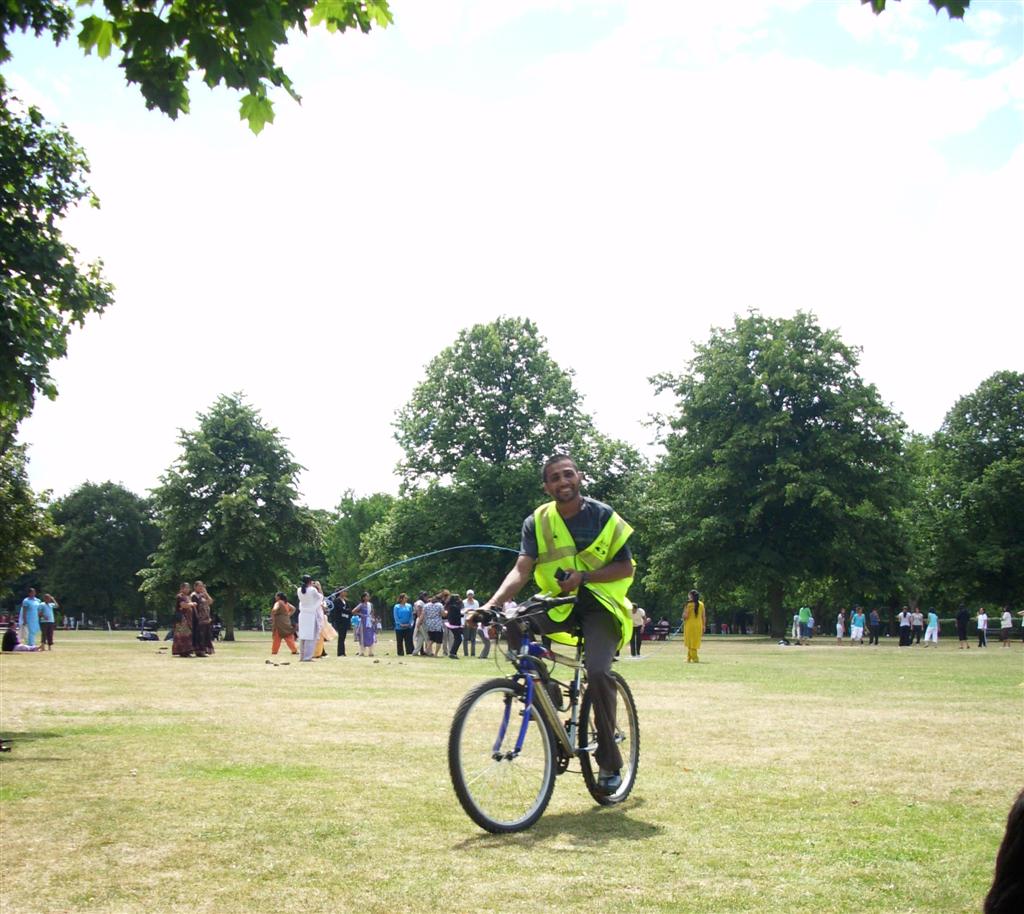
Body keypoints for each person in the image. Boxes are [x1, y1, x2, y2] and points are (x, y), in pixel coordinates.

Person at [478, 454, 635, 795]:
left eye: (568, 475)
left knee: (597, 673)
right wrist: (491, 605)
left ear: (579, 476)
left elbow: (626, 568)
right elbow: (521, 570)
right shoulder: (537, 521)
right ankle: (546, 697)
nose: (563, 482)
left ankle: (609, 762)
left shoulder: (603, 516)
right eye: (555, 478)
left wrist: (585, 577)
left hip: (600, 606)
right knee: (513, 620)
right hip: (558, 602)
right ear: (546, 486)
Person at [296, 576, 324, 662]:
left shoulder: (299, 590)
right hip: (311, 614)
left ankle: (302, 656)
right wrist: (319, 588)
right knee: (310, 637)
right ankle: (307, 657)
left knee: (303, 636)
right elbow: (320, 597)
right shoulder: (312, 590)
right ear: (310, 581)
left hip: (303, 614)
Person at [171, 583, 195, 657]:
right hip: (181, 618)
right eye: (186, 588)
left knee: (188, 635)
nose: (188, 589)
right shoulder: (180, 596)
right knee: (182, 635)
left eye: (188, 588)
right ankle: (181, 651)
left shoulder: (188, 597)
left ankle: (187, 651)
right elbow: (183, 605)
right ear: (182, 588)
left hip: (189, 618)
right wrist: (191, 604)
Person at [191, 581, 214, 657]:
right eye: (199, 586)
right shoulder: (194, 595)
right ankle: (199, 651)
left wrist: (206, 593)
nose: (201, 588)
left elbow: (210, 601)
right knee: (200, 635)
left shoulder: (203, 595)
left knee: (206, 635)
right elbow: (195, 608)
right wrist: (197, 618)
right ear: (195, 587)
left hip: (206, 618)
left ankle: (204, 650)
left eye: (202, 586)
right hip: (199, 619)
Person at [270, 592, 298, 656]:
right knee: (288, 636)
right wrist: (288, 614)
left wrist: (273, 613)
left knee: (277, 637)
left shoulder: (278, 602)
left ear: (279, 597)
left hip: (279, 623)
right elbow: (293, 608)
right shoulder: (286, 603)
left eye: (276, 596)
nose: (275, 597)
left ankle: (274, 651)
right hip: (286, 622)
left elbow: (275, 608)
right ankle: (294, 650)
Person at [683, 590, 704, 663]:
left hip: (690, 625)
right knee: (694, 642)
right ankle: (688, 658)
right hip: (698, 625)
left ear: (691, 596)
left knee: (690, 642)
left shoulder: (688, 604)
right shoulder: (701, 604)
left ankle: (695, 658)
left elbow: (685, 616)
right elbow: (703, 616)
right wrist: (704, 625)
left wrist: (683, 615)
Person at [355, 592, 376, 657]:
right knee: (362, 637)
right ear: (363, 598)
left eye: (368, 596)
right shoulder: (361, 605)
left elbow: (372, 612)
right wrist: (362, 615)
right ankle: (362, 652)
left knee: (370, 636)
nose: (368, 597)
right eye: (367, 596)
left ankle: (371, 652)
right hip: (363, 622)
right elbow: (354, 611)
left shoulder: (370, 605)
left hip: (369, 622)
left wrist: (373, 619)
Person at [444, 591, 464, 659]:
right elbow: (459, 613)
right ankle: (452, 653)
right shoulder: (454, 606)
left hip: (453, 624)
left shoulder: (451, 606)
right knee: (459, 639)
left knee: (457, 638)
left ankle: (453, 653)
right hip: (454, 625)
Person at [462, 589, 480, 656]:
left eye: (471, 594)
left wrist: (478, 622)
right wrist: (462, 623)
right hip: (466, 621)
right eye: (469, 594)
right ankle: (466, 653)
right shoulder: (463, 602)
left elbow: (478, 612)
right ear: (467, 595)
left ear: (473, 595)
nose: (470, 596)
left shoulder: (476, 602)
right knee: (465, 639)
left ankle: (473, 653)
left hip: (474, 621)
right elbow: (462, 612)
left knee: (473, 639)